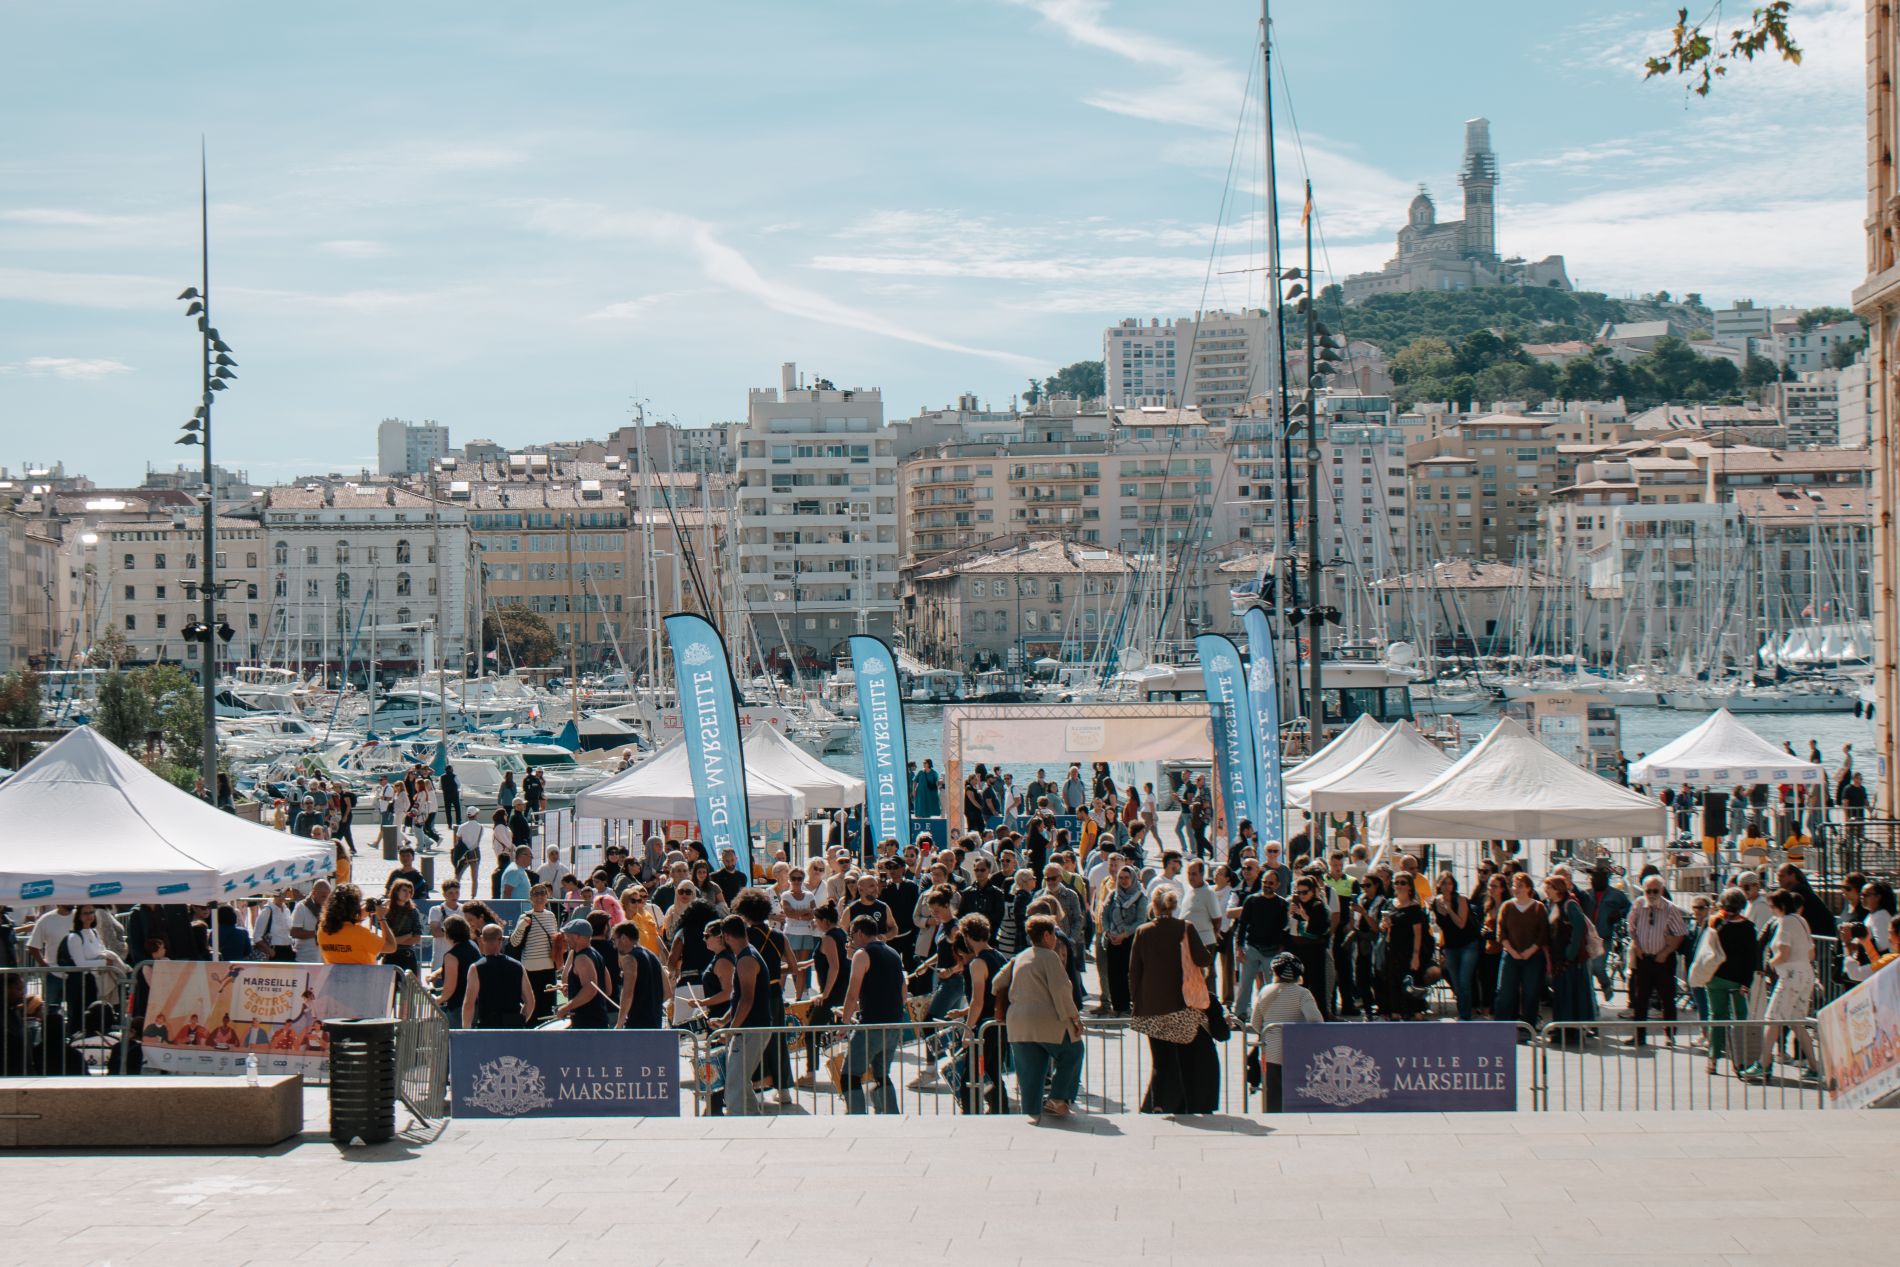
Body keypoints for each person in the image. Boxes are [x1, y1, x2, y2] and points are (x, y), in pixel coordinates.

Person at [1128, 886, 1216, 1114]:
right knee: (1181, 1058)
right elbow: (1204, 959)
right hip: (1181, 1005)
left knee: (1160, 1059)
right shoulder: (1185, 928)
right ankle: (1181, 1103)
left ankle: (1158, 1103)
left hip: (1152, 1006)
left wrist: (1136, 1002)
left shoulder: (1143, 931)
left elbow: (1134, 971)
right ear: (1175, 905)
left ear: (1154, 906)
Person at [994, 913, 1084, 1123]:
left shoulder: (1021, 956)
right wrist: (1074, 1019)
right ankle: (1058, 1099)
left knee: (1030, 1076)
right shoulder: (1049, 956)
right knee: (1073, 1051)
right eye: (1054, 933)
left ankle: (1031, 1115)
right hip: (1047, 1021)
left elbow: (997, 982)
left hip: (1018, 1024)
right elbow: (1062, 990)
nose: (1056, 938)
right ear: (1046, 935)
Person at [1742, 890, 1820, 1082]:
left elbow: (1783, 953)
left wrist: (1771, 964)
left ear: (1781, 906)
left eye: (1772, 907)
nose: (1771, 910)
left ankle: (1763, 1063)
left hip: (1790, 976)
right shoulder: (1801, 920)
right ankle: (1814, 1066)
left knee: (1772, 1018)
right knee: (1796, 1021)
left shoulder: (1785, 921)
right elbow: (1811, 953)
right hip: (1805, 974)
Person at [836, 914, 907, 1114]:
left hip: (871, 1026)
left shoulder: (862, 954)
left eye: (851, 936)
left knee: (849, 1076)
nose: (850, 941)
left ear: (859, 933)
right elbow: (903, 993)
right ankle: (892, 1116)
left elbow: (852, 993)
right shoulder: (893, 953)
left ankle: (857, 1117)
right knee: (881, 1075)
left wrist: (844, 1023)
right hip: (893, 1025)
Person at [1249, 952, 1322, 1112]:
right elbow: (1316, 1021)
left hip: (1270, 1052)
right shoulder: (1303, 994)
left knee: (1272, 1094)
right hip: (1297, 1052)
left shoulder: (1265, 991)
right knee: (1298, 1094)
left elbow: (1255, 1024)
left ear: (1274, 972)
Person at [713, 916, 770, 1115]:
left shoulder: (746, 959)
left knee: (735, 1086)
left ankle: (741, 1126)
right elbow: (738, 997)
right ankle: (754, 1122)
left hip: (751, 1029)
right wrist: (725, 1020)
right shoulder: (746, 956)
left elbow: (747, 999)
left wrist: (731, 1029)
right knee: (740, 1084)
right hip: (751, 1028)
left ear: (726, 936)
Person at [1703, 888, 1761, 1073]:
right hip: (1738, 980)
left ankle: (1713, 1059)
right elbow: (1751, 958)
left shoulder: (1714, 922)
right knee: (1739, 1020)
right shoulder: (1748, 928)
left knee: (1717, 1016)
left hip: (1714, 977)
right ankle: (1740, 1061)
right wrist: (1746, 982)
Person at [1625, 873, 1686, 1045]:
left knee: (1667, 998)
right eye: (1648, 891)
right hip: (1644, 958)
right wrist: (1636, 945)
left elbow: (1680, 933)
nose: (1651, 895)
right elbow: (1631, 927)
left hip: (1663, 960)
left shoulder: (1670, 908)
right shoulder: (1638, 905)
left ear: (1661, 890)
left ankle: (1670, 1034)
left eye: (1655, 891)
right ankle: (1639, 1035)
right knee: (1640, 998)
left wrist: (1666, 952)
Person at [1544, 874, 1596, 1039]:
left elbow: (1579, 928)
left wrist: (1570, 954)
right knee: (1562, 994)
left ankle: (1570, 1031)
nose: (1546, 891)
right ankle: (1562, 1029)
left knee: (1571, 995)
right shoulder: (1555, 905)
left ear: (1557, 889)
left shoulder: (1570, 905)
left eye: (1549, 887)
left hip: (1570, 962)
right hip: (1560, 959)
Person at [1494, 873, 1549, 1028]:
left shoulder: (1538, 908)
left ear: (1528, 888)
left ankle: (1528, 1027)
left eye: (1520, 886)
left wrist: (1530, 951)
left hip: (1532, 957)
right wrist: (1512, 951)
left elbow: (1543, 933)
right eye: (1514, 885)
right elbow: (1501, 932)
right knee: (1505, 992)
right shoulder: (1507, 906)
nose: (1516, 889)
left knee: (1531, 993)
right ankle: (1501, 1027)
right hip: (1511, 955)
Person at [1233, 868, 1289, 1017]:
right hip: (1252, 948)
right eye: (1265, 882)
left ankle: (1271, 1016)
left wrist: (1280, 952)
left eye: (1271, 883)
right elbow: (1242, 924)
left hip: (1272, 951)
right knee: (1245, 984)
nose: (1267, 885)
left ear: (1277, 885)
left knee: (1272, 987)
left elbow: (1284, 929)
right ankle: (1240, 1014)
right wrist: (1239, 947)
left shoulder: (1282, 904)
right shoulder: (1252, 900)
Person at [462, 923, 535, 1029]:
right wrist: (520, 1020)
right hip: (513, 1027)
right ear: (501, 939)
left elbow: (469, 1003)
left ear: (482, 939)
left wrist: (466, 1030)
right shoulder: (518, 966)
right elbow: (530, 1001)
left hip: (488, 1027)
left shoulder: (476, 968)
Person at [508, 884, 563, 1022]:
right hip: (530, 970)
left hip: (549, 969)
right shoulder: (525, 917)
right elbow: (514, 942)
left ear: (547, 896)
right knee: (531, 1005)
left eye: (542, 893)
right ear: (530, 898)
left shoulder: (551, 916)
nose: (539, 896)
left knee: (548, 1007)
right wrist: (521, 926)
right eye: (536, 894)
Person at [1380, 872, 1431, 1020]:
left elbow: (1418, 933)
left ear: (1409, 887)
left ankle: (1416, 1015)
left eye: (1403, 883)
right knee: (1394, 982)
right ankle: (1395, 1014)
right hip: (1393, 949)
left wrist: (1416, 956)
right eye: (1396, 883)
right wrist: (1384, 924)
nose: (1399, 886)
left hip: (1409, 950)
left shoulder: (1414, 907)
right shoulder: (1389, 904)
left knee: (1413, 983)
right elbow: (1382, 926)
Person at [1433, 872, 1480, 1021]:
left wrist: (1449, 910)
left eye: (1450, 883)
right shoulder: (1435, 902)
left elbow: (1461, 923)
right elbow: (1441, 926)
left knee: (1464, 980)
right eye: (1444, 883)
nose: (1447, 887)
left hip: (1468, 944)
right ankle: (1463, 1011)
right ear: (1439, 885)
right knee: (1456, 982)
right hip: (1450, 946)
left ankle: (1466, 1015)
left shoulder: (1460, 899)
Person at [1099, 865, 1144, 1016]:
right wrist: (1109, 932)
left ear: (1133, 878)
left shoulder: (1140, 897)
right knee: (1113, 974)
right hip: (1113, 940)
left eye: (1127, 878)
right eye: (1121, 878)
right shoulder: (1113, 896)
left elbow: (1141, 920)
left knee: (1128, 974)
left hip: (1130, 941)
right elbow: (1104, 915)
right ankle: (1117, 1006)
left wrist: (1124, 934)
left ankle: (1129, 1005)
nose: (1124, 881)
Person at [552, 919, 610, 1028]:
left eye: (567, 935)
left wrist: (565, 1008)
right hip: (599, 1020)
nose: (565, 939)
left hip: (587, 1023)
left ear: (576, 936)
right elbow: (607, 989)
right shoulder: (597, 955)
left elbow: (590, 989)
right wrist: (574, 989)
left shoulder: (581, 958)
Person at [316, 885, 396, 965]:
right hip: (362, 976)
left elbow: (344, 924)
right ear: (354, 908)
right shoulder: (360, 934)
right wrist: (381, 917)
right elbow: (391, 946)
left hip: (334, 976)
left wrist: (365, 911)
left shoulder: (322, 930)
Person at [612, 921, 665, 1029]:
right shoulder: (653, 956)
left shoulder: (629, 959)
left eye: (614, 940)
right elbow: (667, 991)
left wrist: (619, 1024)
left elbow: (627, 993)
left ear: (623, 938)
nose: (614, 945)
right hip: (655, 1022)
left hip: (638, 1023)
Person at [433, 915, 480, 1017]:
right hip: (477, 1004)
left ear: (448, 932)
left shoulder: (451, 956)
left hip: (459, 1007)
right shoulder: (473, 946)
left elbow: (450, 988)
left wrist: (438, 999)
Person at [382, 879, 424, 974]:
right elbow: (385, 939)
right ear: (396, 891)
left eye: (410, 892)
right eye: (404, 890)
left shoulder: (413, 912)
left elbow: (416, 938)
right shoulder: (386, 912)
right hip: (390, 955)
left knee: (409, 987)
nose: (407, 894)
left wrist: (394, 941)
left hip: (407, 955)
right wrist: (407, 936)